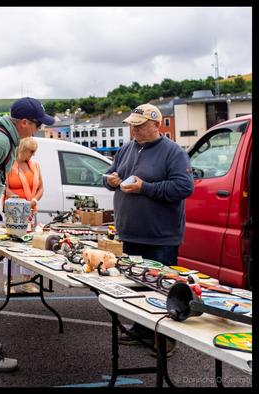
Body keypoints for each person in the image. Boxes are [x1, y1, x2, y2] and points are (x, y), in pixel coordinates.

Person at [104, 103, 194, 358]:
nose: (134, 131)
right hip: (130, 233)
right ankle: (142, 330)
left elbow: (184, 188)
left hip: (160, 236)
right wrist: (108, 180)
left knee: (162, 288)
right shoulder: (127, 148)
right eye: (132, 126)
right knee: (137, 286)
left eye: (140, 126)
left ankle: (166, 339)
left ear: (157, 124)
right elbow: (111, 174)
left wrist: (146, 188)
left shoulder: (173, 152)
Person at [0, 97, 54, 372]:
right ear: (24, 123)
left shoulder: (4, 137)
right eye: (38, 124)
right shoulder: (0, 142)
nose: (39, 129)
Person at [3, 137, 44, 293]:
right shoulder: (10, 166)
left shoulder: (35, 166)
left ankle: (27, 282)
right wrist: (18, 200)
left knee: (29, 245)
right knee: (11, 246)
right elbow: (4, 187)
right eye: (31, 151)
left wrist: (33, 201)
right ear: (22, 149)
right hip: (14, 211)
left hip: (30, 212)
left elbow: (41, 188)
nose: (33, 155)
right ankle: (9, 282)